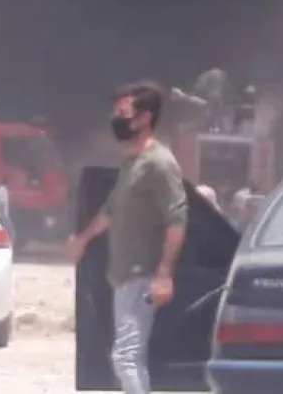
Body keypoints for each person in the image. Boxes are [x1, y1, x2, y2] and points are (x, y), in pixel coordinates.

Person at [67, 80, 188, 394]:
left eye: (122, 112)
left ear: (144, 118)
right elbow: (111, 210)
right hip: (123, 276)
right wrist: (83, 239)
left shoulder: (159, 163)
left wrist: (164, 275)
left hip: (141, 276)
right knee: (131, 357)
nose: (116, 119)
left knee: (126, 357)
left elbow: (177, 219)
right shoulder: (132, 163)